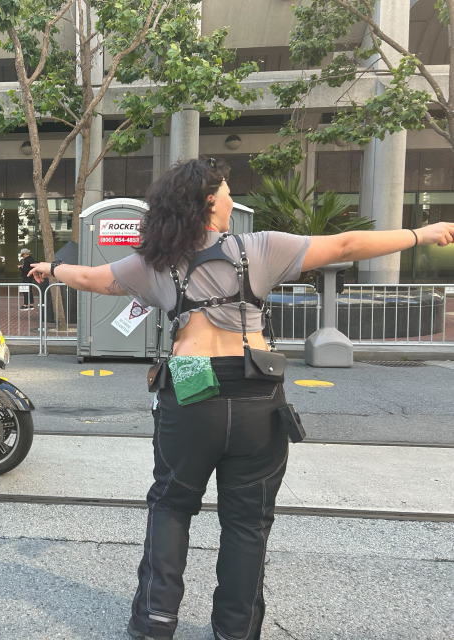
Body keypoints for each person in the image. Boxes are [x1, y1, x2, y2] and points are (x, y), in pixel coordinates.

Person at [28, 157, 454, 640]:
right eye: (228, 190)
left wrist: (54, 267)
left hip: (188, 392)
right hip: (256, 397)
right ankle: (235, 630)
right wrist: (424, 232)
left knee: (170, 507)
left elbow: (89, 279)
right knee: (247, 524)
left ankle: (153, 624)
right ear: (210, 200)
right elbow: (347, 244)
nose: (233, 198)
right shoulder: (260, 248)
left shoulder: (156, 262)